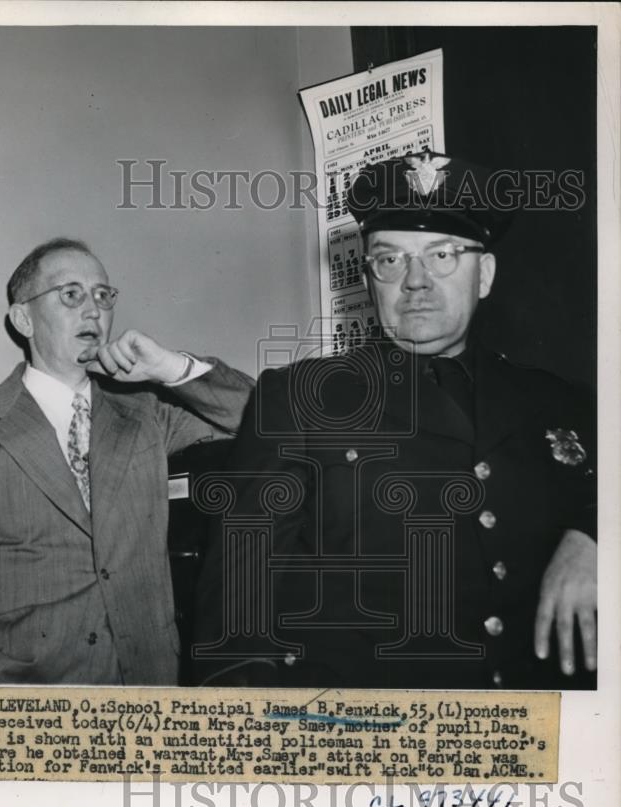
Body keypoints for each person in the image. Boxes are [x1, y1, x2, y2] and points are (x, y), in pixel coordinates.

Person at [193, 152, 597, 690]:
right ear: (369, 280)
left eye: (443, 256)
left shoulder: (558, 401)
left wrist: (596, 536)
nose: (415, 282)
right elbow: (235, 619)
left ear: (486, 276)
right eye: (389, 260)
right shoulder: (298, 399)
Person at [0, 237, 253, 685]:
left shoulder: (148, 415)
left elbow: (262, 419)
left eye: (102, 295)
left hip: (150, 698)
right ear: (23, 318)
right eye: (71, 295)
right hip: (19, 709)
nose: (93, 310)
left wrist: (169, 368)